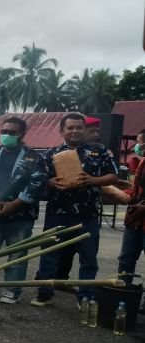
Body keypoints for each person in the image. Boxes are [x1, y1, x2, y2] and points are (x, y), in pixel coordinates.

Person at [30, 113, 118, 307]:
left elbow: (113, 177)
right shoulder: (49, 154)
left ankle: (85, 296)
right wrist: (51, 182)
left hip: (87, 214)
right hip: (57, 213)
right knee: (50, 254)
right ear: (62, 131)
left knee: (88, 257)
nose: (75, 131)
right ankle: (44, 292)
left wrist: (93, 180)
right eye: (70, 127)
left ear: (85, 129)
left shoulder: (99, 151)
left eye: (79, 127)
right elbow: (38, 180)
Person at [0, 117, 48, 304]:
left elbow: (38, 182)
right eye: (4, 132)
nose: (6, 135)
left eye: (12, 133)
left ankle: (13, 290)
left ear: (22, 135)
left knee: (17, 254)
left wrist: (16, 204)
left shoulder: (34, 157)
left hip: (20, 214)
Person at [117, 150, 145, 315]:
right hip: (134, 222)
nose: (139, 145)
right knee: (126, 261)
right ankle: (121, 296)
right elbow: (137, 191)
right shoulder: (142, 162)